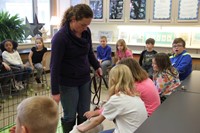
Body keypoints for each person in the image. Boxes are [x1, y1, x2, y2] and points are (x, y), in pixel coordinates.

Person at [50, 4, 102, 133]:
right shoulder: (60, 38)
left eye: (87, 25)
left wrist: (97, 66)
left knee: (85, 112)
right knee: (70, 115)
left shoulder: (86, 32)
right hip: (67, 82)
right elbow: (54, 66)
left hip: (84, 78)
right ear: (73, 20)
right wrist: (55, 92)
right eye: (83, 25)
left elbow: (89, 52)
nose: (85, 28)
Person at [77, 64, 147, 133]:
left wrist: (82, 128)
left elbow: (97, 121)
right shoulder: (134, 95)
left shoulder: (117, 98)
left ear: (112, 80)